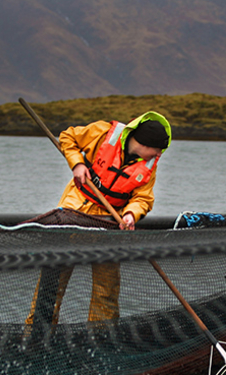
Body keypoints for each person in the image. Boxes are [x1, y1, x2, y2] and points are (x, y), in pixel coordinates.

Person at [26, 111, 172, 326]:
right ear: (143, 143)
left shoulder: (150, 165)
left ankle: (100, 337)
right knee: (53, 281)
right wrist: (77, 164)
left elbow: (143, 198)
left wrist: (132, 214)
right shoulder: (105, 133)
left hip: (109, 226)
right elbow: (68, 137)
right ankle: (36, 333)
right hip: (73, 215)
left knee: (107, 289)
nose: (158, 154)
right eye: (157, 149)